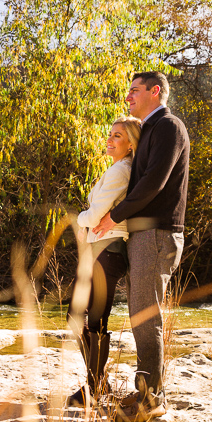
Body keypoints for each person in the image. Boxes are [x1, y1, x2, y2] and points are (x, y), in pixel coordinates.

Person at [92, 71, 189, 422]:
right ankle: (145, 391)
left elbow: (154, 182)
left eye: (134, 90)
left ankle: (153, 400)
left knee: (146, 315)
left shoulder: (169, 127)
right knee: (138, 315)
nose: (128, 95)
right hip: (142, 234)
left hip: (157, 233)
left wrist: (112, 216)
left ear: (155, 91)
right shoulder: (148, 130)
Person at [67, 115, 142, 407]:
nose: (109, 140)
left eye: (117, 136)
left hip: (107, 252)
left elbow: (95, 215)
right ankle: (97, 384)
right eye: (110, 134)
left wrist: (81, 220)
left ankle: (95, 387)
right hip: (101, 250)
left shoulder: (120, 172)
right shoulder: (118, 169)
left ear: (131, 144)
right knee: (82, 316)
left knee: (91, 318)